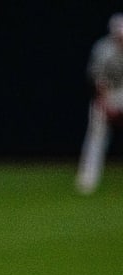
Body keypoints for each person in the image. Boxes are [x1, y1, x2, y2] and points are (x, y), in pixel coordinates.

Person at [76, 13, 123, 195]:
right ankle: (88, 176)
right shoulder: (102, 49)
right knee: (96, 132)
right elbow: (98, 81)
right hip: (108, 94)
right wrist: (106, 105)